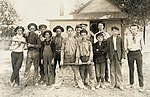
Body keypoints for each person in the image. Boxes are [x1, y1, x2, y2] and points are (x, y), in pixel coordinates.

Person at [126, 24, 144, 92]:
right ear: (130, 29)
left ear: (137, 30)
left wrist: (141, 54)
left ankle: (141, 86)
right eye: (132, 29)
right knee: (131, 70)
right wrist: (127, 50)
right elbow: (126, 45)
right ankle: (131, 83)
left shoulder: (140, 36)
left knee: (140, 70)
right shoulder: (128, 36)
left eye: (135, 29)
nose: (133, 30)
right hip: (130, 53)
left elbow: (142, 46)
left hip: (138, 53)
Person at [107, 26, 125, 91]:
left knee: (119, 70)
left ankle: (120, 84)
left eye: (116, 31)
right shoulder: (108, 39)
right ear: (111, 31)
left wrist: (123, 57)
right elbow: (107, 50)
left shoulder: (120, 39)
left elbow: (123, 48)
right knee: (112, 70)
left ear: (118, 32)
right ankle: (113, 84)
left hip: (118, 55)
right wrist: (108, 58)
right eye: (113, 30)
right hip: (111, 55)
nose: (115, 32)